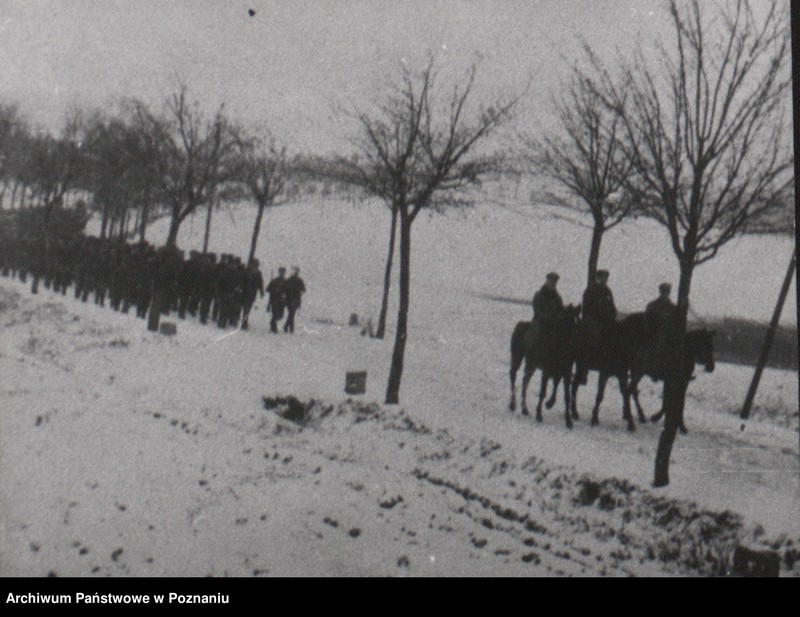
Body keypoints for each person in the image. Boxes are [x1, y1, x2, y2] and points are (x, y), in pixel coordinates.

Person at [577, 269, 618, 384]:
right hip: (592, 322)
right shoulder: (590, 291)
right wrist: (599, 316)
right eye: (603, 278)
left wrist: (612, 315)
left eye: (606, 278)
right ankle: (584, 368)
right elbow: (586, 309)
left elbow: (612, 307)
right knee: (591, 340)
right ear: (598, 278)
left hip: (605, 322)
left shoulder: (607, 291)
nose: (605, 280)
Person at [643, 282, 677, 380]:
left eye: (667, 291)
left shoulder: (672, 307)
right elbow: (647, 320)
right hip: (654, 333)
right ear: (660, 291)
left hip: (668, 334)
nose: (665, 293)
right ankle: (654, 370)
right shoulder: (653, 305)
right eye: (664, 291)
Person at [283, 266, 306, 333]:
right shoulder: (291, 280)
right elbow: (303, 290)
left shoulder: (296, 280)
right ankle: (288, 327)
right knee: (292, 313)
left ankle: (288, 327)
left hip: (293, 299)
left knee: (291, 313)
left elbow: (303, 289)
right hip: (291, 299)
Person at [266, 267, 287, 333]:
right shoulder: (274, 281)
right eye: (281, 272)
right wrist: (274, 290)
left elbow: (288, 291)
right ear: (279, 272)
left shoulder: (286, 282)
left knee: (281, 315)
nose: (282, 273)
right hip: (274, 299)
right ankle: (273, 327)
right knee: (275, 313)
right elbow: (268, 289)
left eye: (283, 272)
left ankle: (272, 322)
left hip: (282, 300)